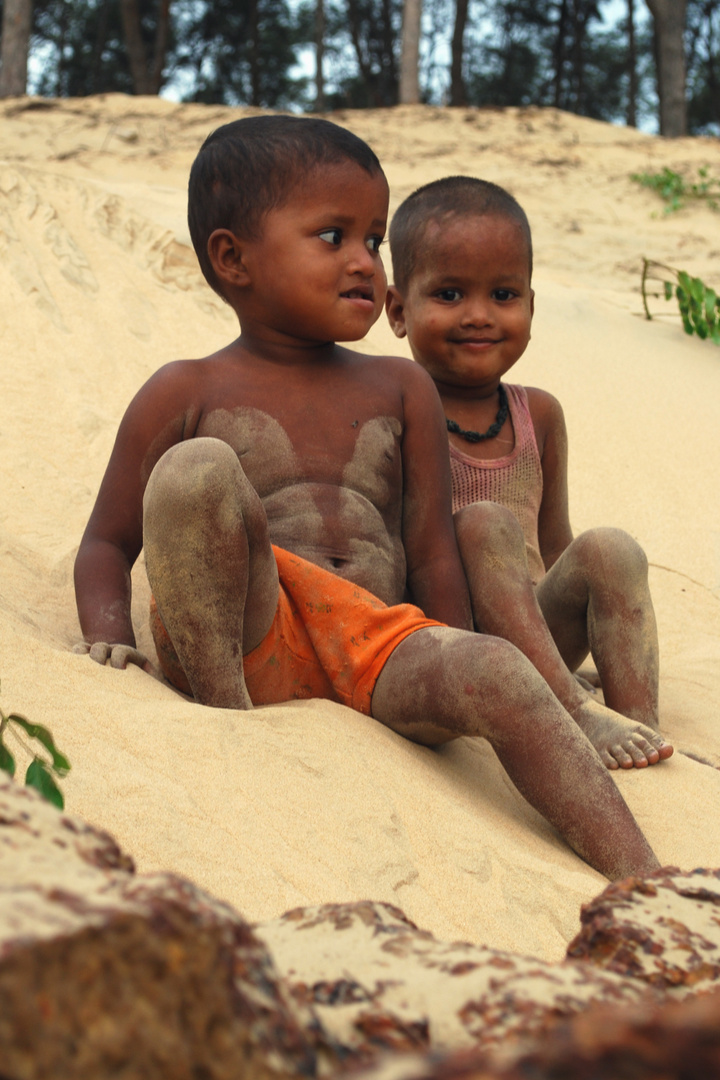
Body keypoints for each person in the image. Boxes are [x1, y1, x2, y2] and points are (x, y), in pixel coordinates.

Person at [74, 115, 665, 881]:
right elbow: (106, 543)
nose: (367, 263)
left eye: (375, 241)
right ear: (233, 258)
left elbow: (428, 548)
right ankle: (227, 730)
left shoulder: (400, 385)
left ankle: (648, 881)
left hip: (379, 643)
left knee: (499, 673)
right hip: (255, 630)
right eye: (334, 237)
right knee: (195, 472)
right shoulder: (184, 387)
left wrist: (456, 649)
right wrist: (107, 631)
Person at [386, 175, 672, 772]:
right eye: (449, 294)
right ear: (398, 310)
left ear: (532, 306)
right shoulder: (394, 408)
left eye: (504, 295)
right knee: (484, 524)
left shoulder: (537, 412)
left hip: (537, 638)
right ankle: (573, 709)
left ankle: (637, 726)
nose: (479, 316)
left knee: (611, 548)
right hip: (451, 640)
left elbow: (555, 542)